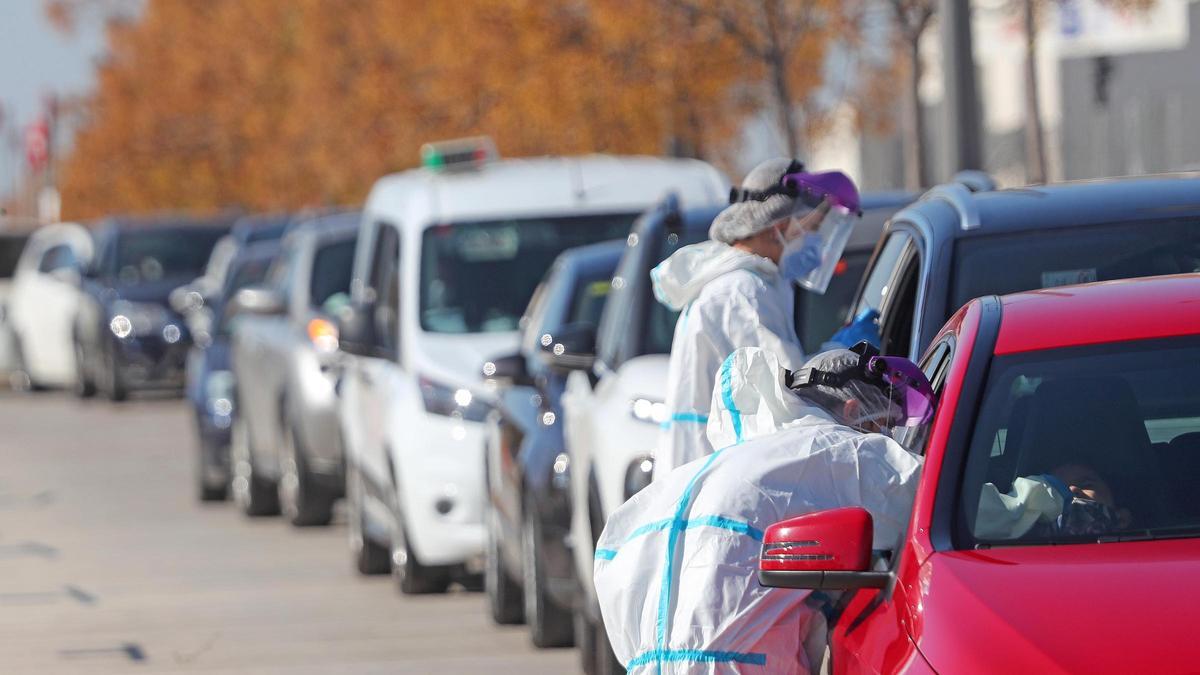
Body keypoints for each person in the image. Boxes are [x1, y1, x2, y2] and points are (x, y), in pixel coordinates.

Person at [595, 344, 935, 674]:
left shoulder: (707, 472)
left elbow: (612, 564)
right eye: (883, 425)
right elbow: (932, 502)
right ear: (851, 411)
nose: (886, 439)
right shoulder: (844, 450)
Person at [652, 158, 862, 476]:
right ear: (779, 226)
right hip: (714, 475)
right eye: (812, 229)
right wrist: (845, 360)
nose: (815, 242)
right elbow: (791, 397)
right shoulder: (742, 294)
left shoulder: (755, 285)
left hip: (718, 471)